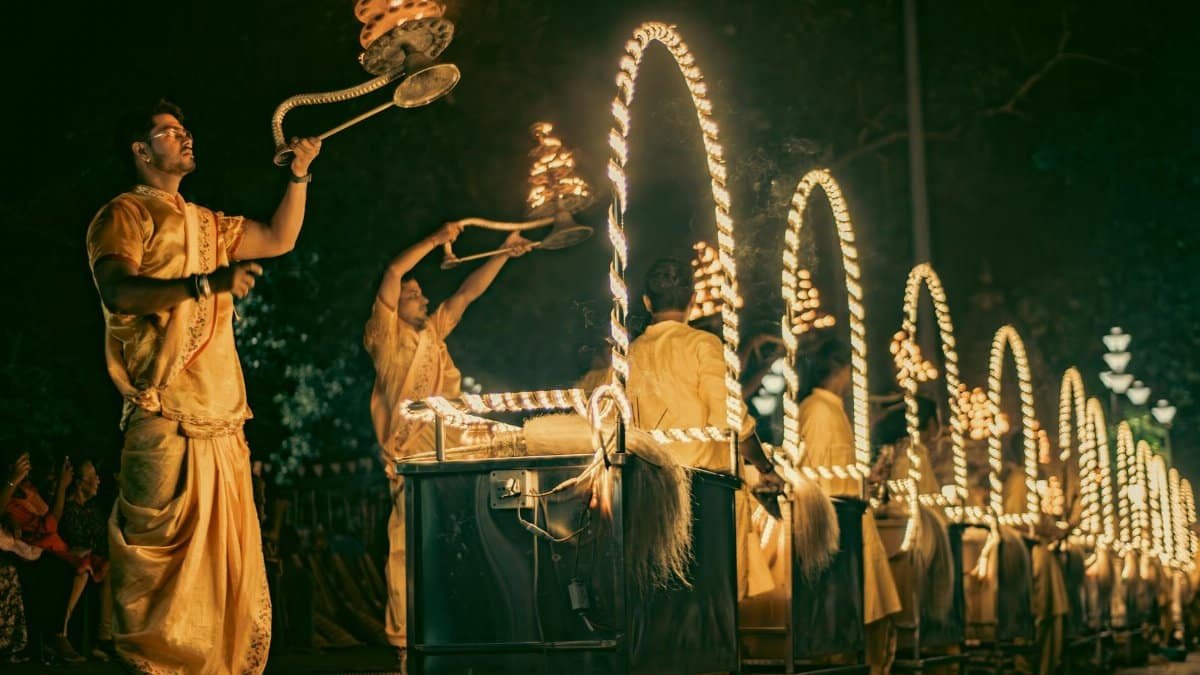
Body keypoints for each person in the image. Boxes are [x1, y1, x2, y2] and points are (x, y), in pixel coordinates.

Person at [86, 97, 321, 673]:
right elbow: (119, 293)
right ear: (141, 151)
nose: (185, 138)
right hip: (162, 406)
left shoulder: (208, 223)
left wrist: (299, 174)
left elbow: (279, 237)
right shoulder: (124, 214)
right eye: (169, 132)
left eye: (185, 130)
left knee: (222, 574)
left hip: (220, 411)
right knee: (154, 560)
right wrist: (205, 284)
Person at [363, 221, 532, 650]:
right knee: (407, 542)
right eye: (414, 295)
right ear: (393, 305)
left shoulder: (431, 334)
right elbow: (393, 272)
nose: (424, 299)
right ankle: (402, 638)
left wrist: (501, 252)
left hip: (450, 446)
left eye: (422, 295)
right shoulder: (385, 338)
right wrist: (435, 241)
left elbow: (466, 295)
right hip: (411, 455)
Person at [623, 257, 781, 601]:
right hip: (705, 489)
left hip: (646, 488)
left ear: (648, 303)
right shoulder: (703, 345)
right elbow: (732, 421)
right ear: (692, 301)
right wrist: (766, 467)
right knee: (708, 593)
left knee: (660, 591)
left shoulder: (630, 354)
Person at [794, 338, 901, 674]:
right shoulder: (818, 409)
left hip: (850, 517)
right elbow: (819, 474)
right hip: (836, 523)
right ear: (840, 372)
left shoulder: (828, 408)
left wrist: (867, 479)